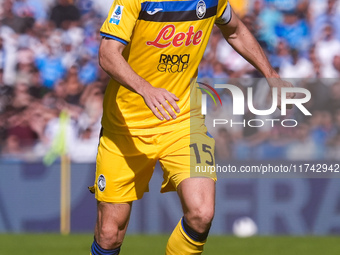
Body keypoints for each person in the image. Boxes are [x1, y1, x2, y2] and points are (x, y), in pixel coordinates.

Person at [89, 1, 294, 254]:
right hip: (125, 128)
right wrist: (146, 89)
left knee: (202, 213)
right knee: (110, 234)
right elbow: (108, 53)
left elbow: (236, 29)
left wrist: (271, 74)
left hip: (183, 120)